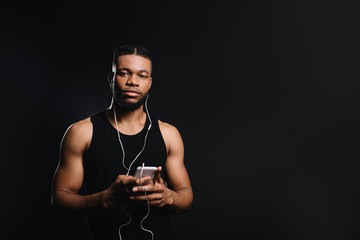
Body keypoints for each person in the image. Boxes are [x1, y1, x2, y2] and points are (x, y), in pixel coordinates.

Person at [51, 45, 193, 240]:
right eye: (124, 73)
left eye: (142, 75)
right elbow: (60, 200)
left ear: (150, 82)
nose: (133, 82)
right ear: (111, 78)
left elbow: (185, 196)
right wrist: (105, 198)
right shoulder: (82, 132)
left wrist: (167, 196)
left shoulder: (169, 133)